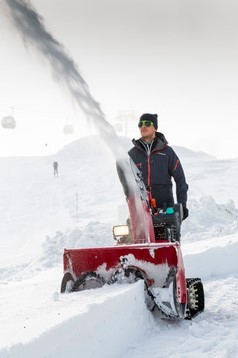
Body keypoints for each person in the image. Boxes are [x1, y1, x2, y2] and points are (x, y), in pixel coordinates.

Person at [128, 113, 189, 220]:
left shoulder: (167, 152)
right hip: (141, 212)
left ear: (155, 127)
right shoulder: (132, 154)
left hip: (166, 211)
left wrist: (182, 205)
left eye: (147, 123)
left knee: (165, 237)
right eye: (140, 124)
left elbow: (180, 180)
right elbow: (128, 183)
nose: (143, 126)